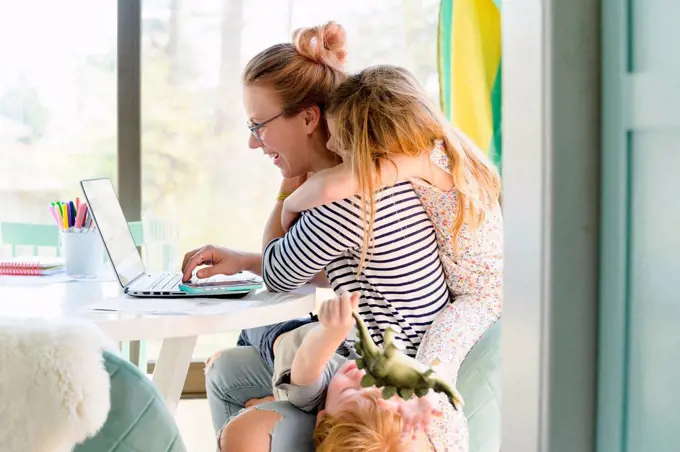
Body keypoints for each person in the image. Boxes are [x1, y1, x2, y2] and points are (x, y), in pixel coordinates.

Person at [280, 64, 504, 452]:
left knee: (433, 376)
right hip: (473, 283)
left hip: (479, 297)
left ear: (376, 145)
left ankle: (447, 444)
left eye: (341, 142)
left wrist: (291, 202)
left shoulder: (418, 161)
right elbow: (376, 104)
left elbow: (338, 182)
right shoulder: (437, 142)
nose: (332, 148)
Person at [227, 291, 437, 451]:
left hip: (276, 333)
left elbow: (309, 359)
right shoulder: (355, 395)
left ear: (321, 418)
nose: (360, 377)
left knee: (252, 298)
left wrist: (330, 334)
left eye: (348, 392)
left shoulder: (310, 394)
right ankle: (275, 395)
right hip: (323, 325)